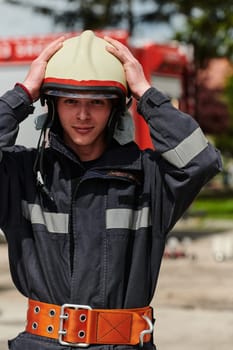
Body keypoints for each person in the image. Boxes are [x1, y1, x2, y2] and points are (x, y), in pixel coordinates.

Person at [0, 30, 221, 350]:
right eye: (70, 101)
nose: (83, 115)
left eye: (97, 102)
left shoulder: (149, 178)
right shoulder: (23, 174)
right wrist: (23, 94)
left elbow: (200, 161)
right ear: (51, 104)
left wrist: (146, 94)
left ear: (116, 108)